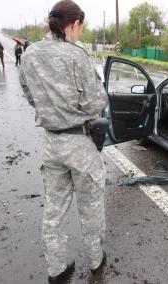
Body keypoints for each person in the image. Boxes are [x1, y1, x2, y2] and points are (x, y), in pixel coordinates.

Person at [19, 1, 107, 283]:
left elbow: (28, 93)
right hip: (80, 143)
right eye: (81, 27)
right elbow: (95, 102)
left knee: (54, 211)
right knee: (91, 207)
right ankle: (95, 261)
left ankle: (56, 270)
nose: (81, 32)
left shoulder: (30, 54)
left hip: (52, 145)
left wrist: (49, 109)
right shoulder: (77, 55)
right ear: (75, 23)